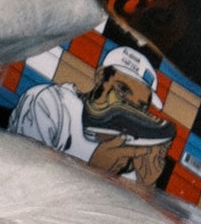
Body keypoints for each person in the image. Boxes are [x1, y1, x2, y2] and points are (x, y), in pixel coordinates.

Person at [9, 45, 173, 187]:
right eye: (122, 91)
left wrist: (146, 185)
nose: (127, 109)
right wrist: (93, 170)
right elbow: (23, 181)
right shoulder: (50, 103)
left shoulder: (130, 152)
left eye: (139, 107)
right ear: (100, 76)